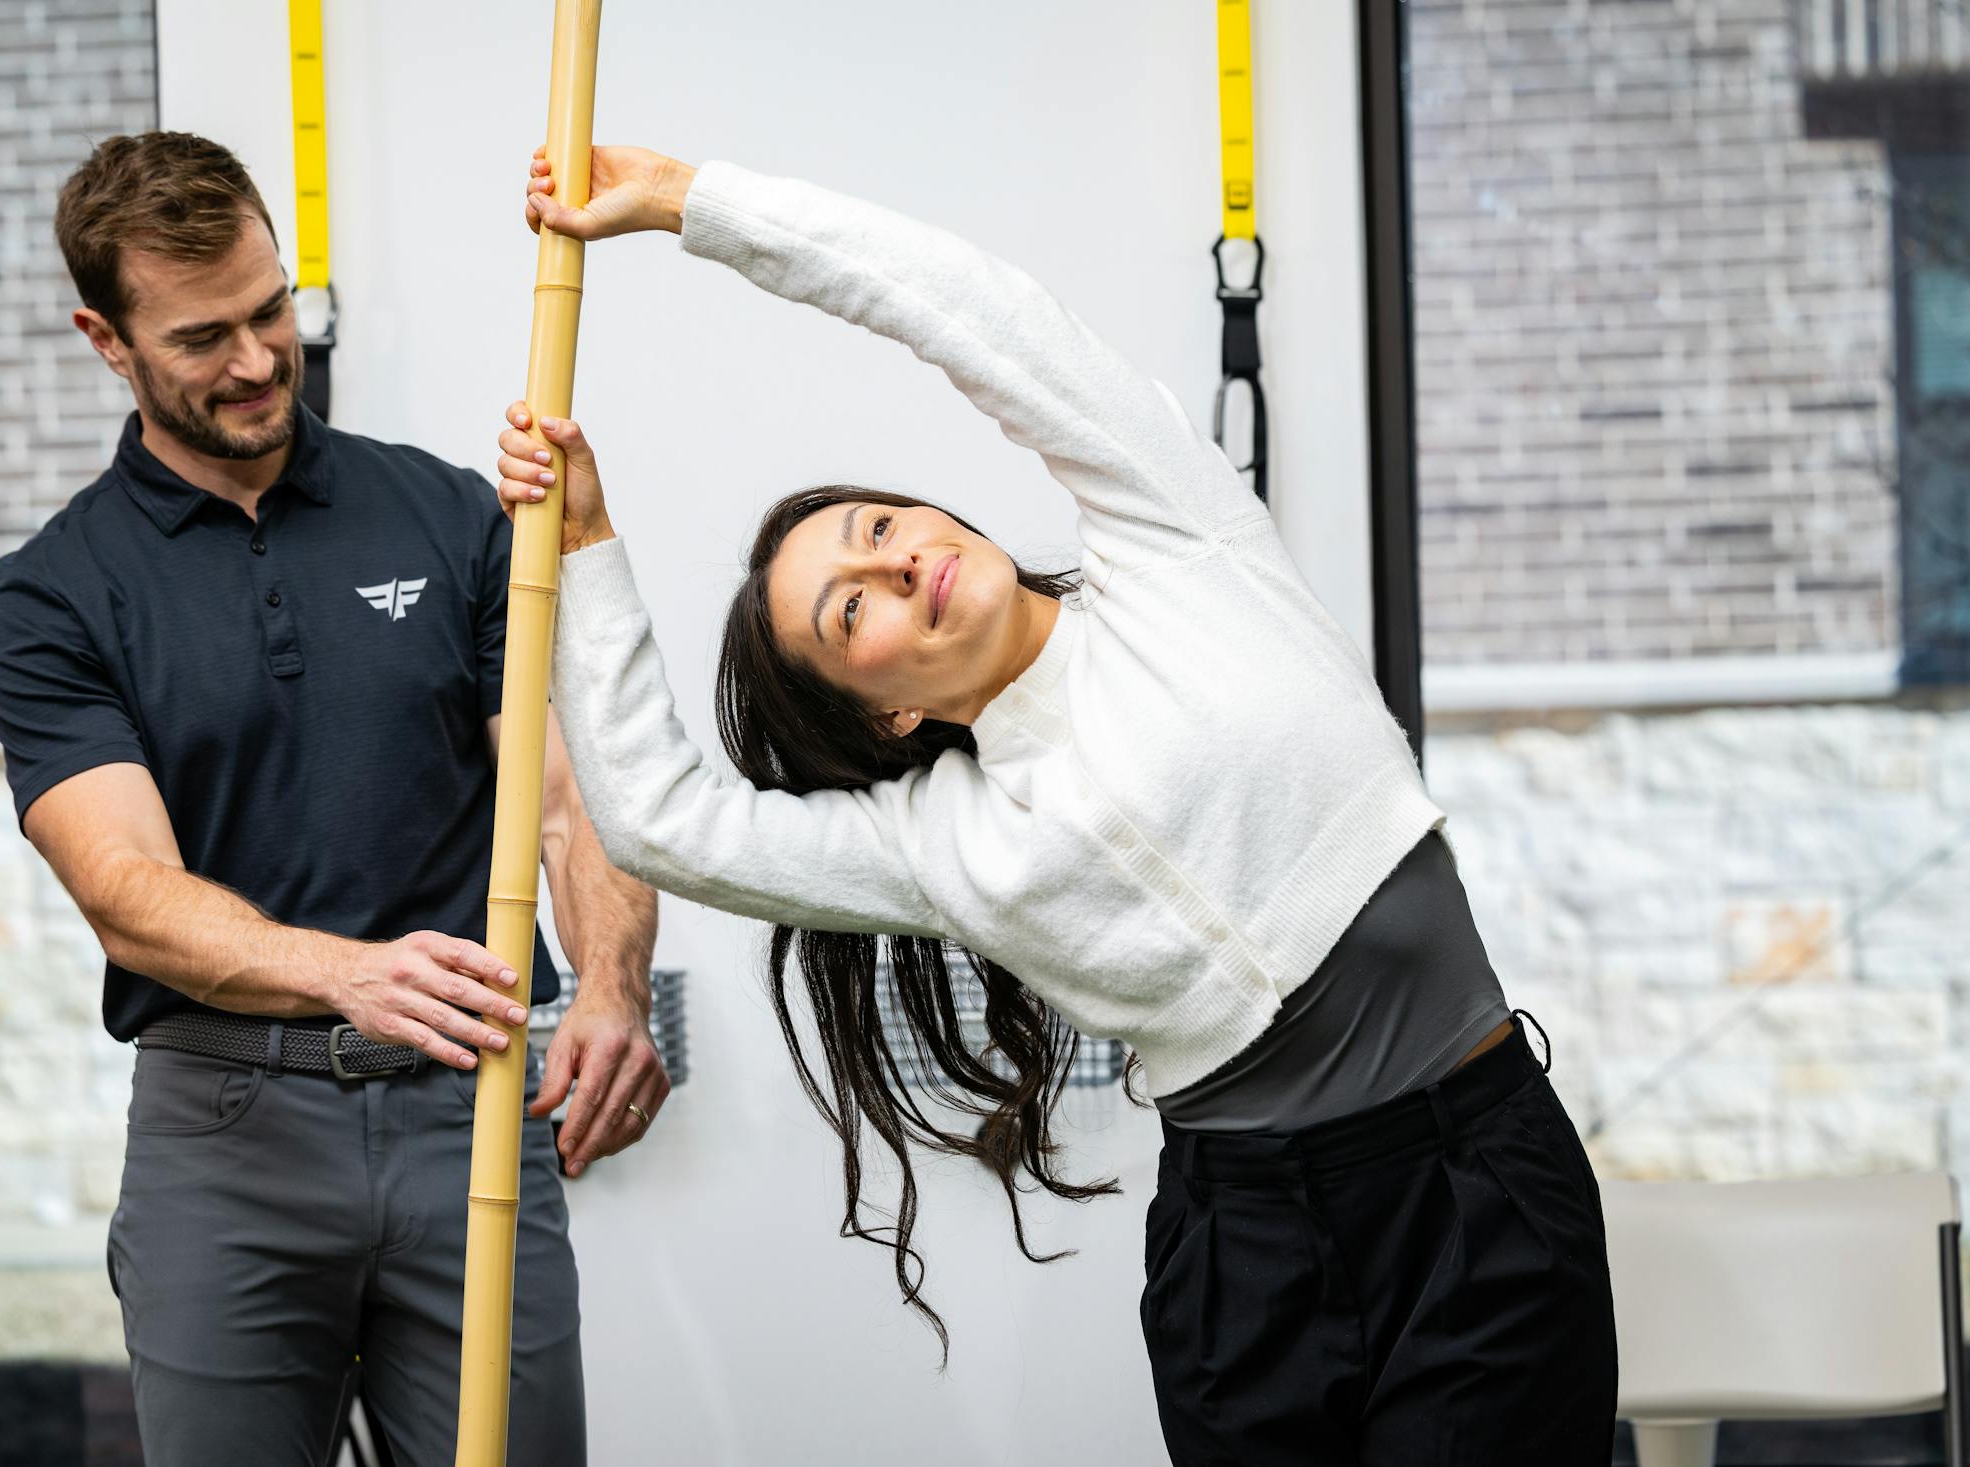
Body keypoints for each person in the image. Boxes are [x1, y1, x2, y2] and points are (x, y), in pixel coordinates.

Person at [495, 144, 1618, 1464]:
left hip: (1469, 1188)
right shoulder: (933, 845)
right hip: (1249, 1257)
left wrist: (690, 202)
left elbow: (961, 304)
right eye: (848, 605)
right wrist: (585, 541)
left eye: (875, 524)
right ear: (883, 714)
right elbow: (660, 820)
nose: (895, 561)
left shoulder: (1174, 542)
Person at [0, 131, 666, 1467]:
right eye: (198, 339)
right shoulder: (56, 593)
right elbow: (128, 893)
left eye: (268, 309)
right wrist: (347, 974)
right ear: (105, 340)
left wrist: (613, 987)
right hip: (225, 1136)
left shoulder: (451, 515)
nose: (253, 361)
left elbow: (576, 801)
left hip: (464, 1110)